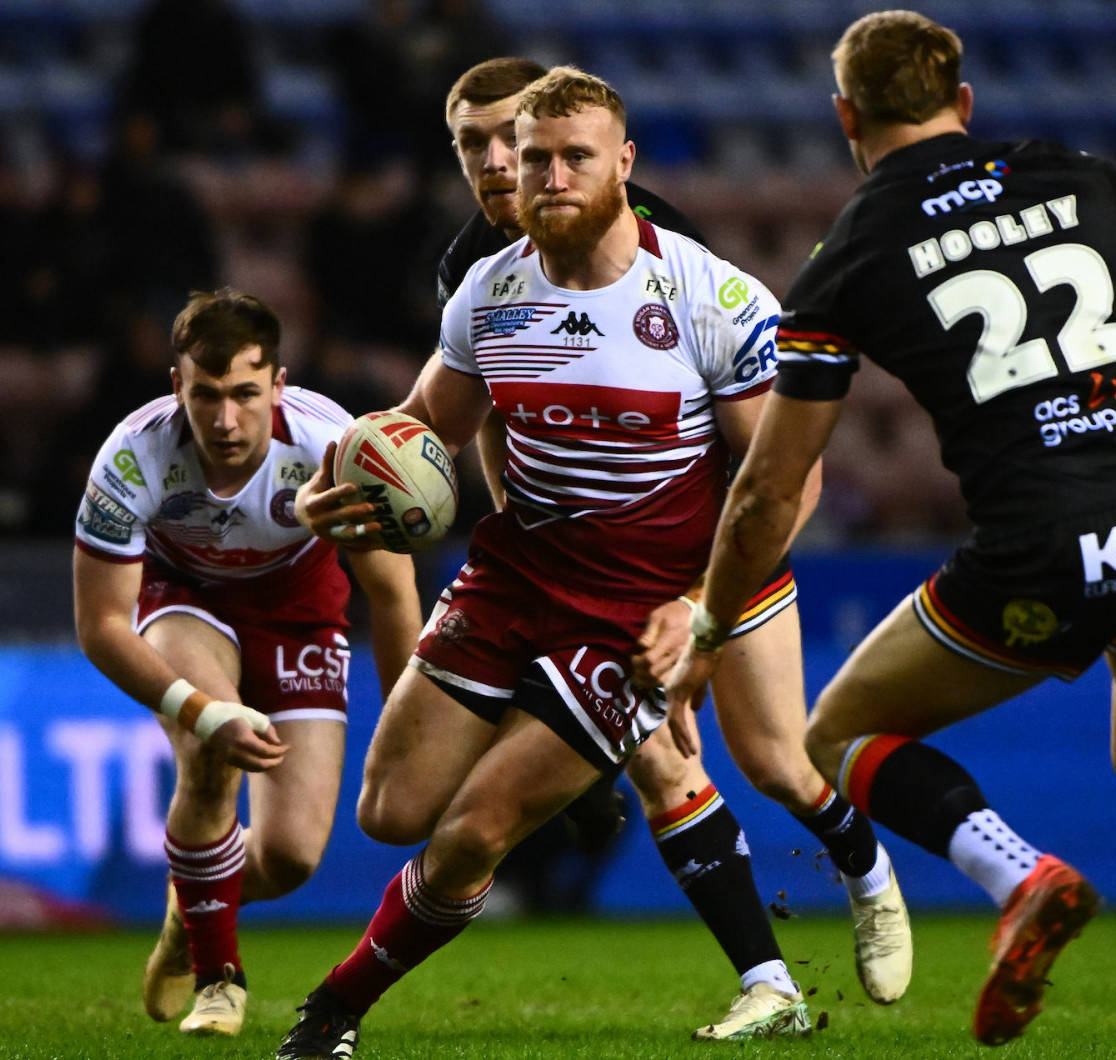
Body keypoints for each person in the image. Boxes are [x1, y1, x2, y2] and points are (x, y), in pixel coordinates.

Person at [658, 11, 1116, 1057]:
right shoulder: (1076, 171)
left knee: (836, 736)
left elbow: (766, 490)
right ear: (962, 102)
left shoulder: (851, 255)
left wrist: (705, 628)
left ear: (844, 117)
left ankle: (1020, 875)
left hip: (1046, 541)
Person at [274, 67, 899, 1058]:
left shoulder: (710, 296)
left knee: (476, 830)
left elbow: (791, 483)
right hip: (514, 574)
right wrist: (332, 490)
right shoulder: (487, 290)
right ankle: (571, 747)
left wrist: (699, 607)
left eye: (575, 157)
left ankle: (331, 1012)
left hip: (634, 606)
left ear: (624, 164)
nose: (550, 175)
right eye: (534, 160)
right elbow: (421, 428)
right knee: (391, 812)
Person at [451, 55, 910, 1034]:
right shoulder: (472, 271)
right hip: (590, 568)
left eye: (511, 139)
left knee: (777, 762)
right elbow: (493, 416)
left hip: (711, 555)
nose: (497, 164)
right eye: (473, 145)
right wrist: (536, 549)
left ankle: (864, 866)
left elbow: (768, 456)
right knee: (659, 758)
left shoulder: (663, 254)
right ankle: (771, 985)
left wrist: (696, 617)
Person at [72, 289, 421, 1037]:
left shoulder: (336, 449)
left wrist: (408, 728)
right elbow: (102, 625)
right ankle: (218, 978)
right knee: (207, 752)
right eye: (205, 395)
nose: (225, 421)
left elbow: (393, 596)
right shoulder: (131, 458)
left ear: (279, 385)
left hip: (300, 610)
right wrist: (201, 710)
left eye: (244, 395)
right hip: (184, 598)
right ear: (177, 388)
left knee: (291, 857)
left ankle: (191, 905)